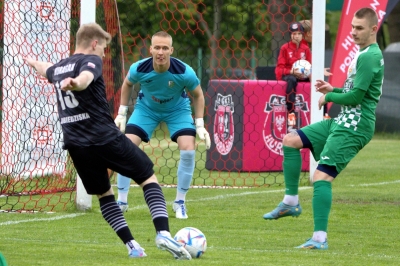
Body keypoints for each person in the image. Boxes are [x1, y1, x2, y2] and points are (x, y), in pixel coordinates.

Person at [24, 23, 191, 260]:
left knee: (104, 194)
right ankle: (163, 233)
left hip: (76, 145)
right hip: (104, 137)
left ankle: (132, 246)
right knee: (147, 177)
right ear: (94, 44)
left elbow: (46, 69)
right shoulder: (90, 61)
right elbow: (85, 78)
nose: (103, 53)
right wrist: (76, 83)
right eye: (102, 47)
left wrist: (32, 62)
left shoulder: (61, 67)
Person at [263, 7, 384, 250]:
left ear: (373, 29)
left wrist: (331, 97)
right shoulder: (364, 53)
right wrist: (333, 90)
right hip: (344, 120)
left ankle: (319, 239)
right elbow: (354, 92)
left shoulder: (370, 56)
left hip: (355, 125)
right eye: (352, 27)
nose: (353, 32)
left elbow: (357, 97)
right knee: (290, 140)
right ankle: (290, 201)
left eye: (359, 28)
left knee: (321, 177)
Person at [114, 31, 211, 219]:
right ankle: (122, 201)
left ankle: (180, 202)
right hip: (146, 109)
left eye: (165, 48)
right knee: (125, 147)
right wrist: (122, 113)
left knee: (189, 149)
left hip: (178, 110)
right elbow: (127, 84)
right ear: (150, 49)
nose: (160, 52)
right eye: (157, 47)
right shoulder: (139, 68)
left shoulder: (184, 71)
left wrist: (199, 125)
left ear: (171, 50)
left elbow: (198, 95)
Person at [275, 22, 312, 116]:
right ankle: (291, 113)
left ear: (302, 35)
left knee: (319, 81)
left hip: (304, 75)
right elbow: (279, 69)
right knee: (292, 79)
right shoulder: (284, 48)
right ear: (290, 35)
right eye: (294, 34)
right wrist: (290, 71)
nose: (297, 36)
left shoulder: (306, 49)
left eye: (299, 34)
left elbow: (311, 65)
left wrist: (313, 74)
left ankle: (324, 113)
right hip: (290, 75)